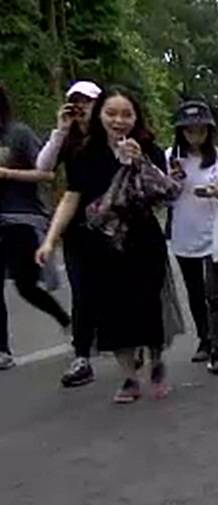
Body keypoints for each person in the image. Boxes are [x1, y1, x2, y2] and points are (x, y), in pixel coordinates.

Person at [36, 86, 176, 403]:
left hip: (143, 240)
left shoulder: (149, 148)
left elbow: (165, 193)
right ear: (99, 116)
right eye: (111, 113)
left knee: (147, 305)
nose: (119, 120)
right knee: (112, 311)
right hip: (101, 243)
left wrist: (141, 163)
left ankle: (156, 362)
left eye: (126, 114)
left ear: (136, 117)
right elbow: (71, 198)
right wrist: (49, 240)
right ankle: (129, 378)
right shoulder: (85, 153)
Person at [165, 100, 218, 375]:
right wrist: (172, 181)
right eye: (189, 131)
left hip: (215, 233)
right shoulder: (170, 158)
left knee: (214, 293)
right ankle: (204, 338)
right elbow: (161, 195)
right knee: (195, 292)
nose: (195, 136)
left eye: (200, 130)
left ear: (209, 131)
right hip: (184, 233)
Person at [0, 84, 72, 371]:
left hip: (20, 217)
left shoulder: (17, 134)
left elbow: (46, 172)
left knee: (25, 285)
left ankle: (65, 321)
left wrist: (7, 173)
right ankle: (2, 349)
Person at [35, 80, 102, 386]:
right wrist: (60, 129)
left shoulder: (111, 135)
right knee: (82, 291)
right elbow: (44, 167)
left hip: (113, 224)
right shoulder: (69, 141)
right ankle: (82, 356)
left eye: (86, 101)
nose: (81, 107)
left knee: (114, 288)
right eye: (75, 102)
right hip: (77, 226)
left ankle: (130, 342)